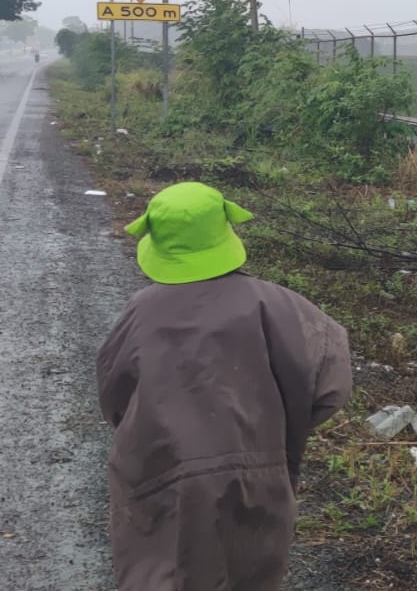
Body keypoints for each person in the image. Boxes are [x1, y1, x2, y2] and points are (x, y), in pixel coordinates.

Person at [96, 182, 354, 591]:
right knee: (249, 570)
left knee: (160, 570)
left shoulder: (141, 312)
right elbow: (331, 385)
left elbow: (113, 392)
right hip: (257, 472)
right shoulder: (279, 305)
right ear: (226, 233)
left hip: (157, 472)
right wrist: (283, 427)